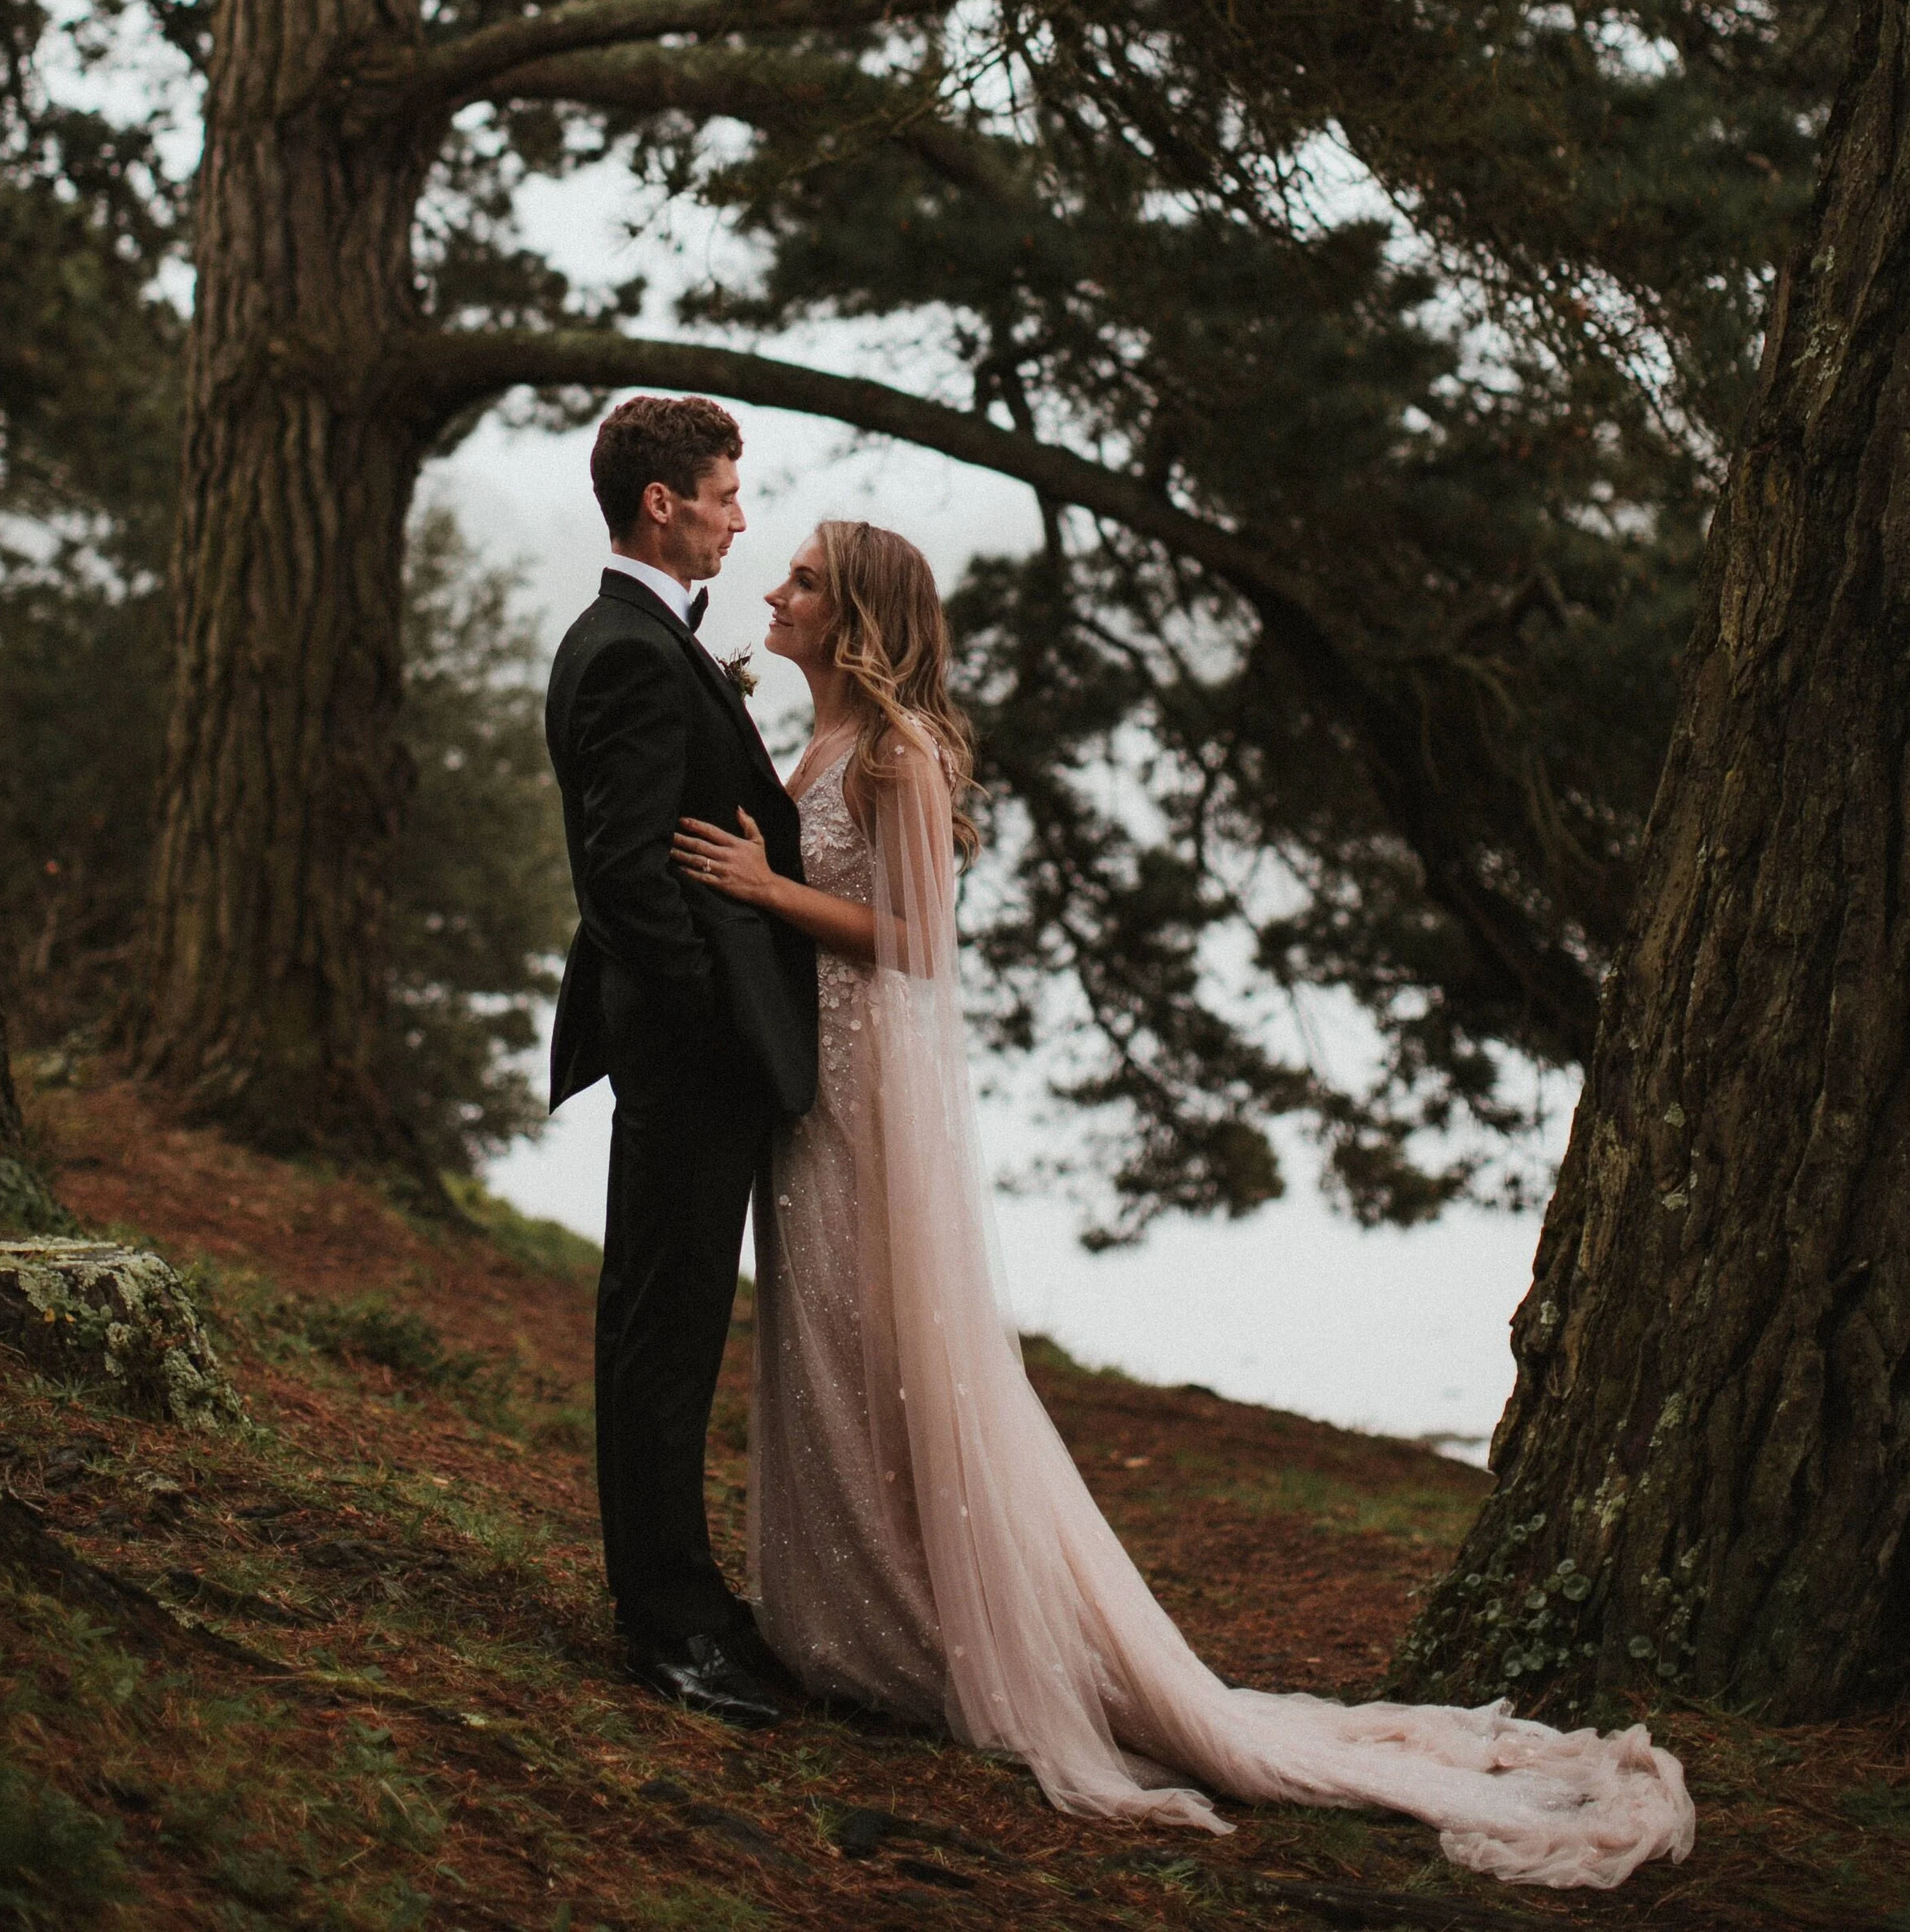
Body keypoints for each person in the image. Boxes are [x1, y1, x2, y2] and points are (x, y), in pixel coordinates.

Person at [670, 520, 1695, 1892]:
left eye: (799, 578)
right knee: (830, 1348)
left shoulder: (900, 749)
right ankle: (852, 1622)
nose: (773, 591)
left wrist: (768, 888)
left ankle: (942, 1635)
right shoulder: (820, 742)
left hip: (872, 1095)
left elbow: (922, 941)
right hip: (820, 1081)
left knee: (894, 1350)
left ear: (853, 611)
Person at [545, 395, 817, 1728]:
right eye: (724, 491)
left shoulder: (644, 638)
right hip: (685, 1057)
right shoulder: (629, 652)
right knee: (661, 1334)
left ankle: (690, 1597)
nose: (738, 514)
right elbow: (624, 880)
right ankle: (664, 1624)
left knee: (676, 1324)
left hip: (692, 1051)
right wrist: (717, 1016)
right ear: (662, 500)